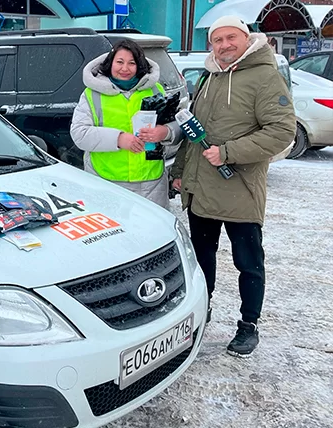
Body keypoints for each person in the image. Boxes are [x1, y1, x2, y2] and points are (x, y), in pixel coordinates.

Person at [170, 16, 295, 357]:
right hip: (202, 191)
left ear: (246, 38)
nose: (224, 45)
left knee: (248, 263)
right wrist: (179, 172)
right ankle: (201, 312)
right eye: (217, 39)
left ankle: (248, 325)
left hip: (240, 190)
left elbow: (282, 132)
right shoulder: (210, 76)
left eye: (231, 37)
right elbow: (194, 133)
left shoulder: (265, 77)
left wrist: (228, 153)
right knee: (201, 260)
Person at [70, 39, 182, 208]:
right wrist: (119, 139)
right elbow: (79, 134)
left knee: (152, 232)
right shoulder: (92, 94)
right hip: (106, 180)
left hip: (151, 182)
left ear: (140, 65)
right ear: (110, 63)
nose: (125, 68)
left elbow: (177, 125)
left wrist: (165, 132)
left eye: (132, 63)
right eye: (120, 62)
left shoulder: (155, 89)